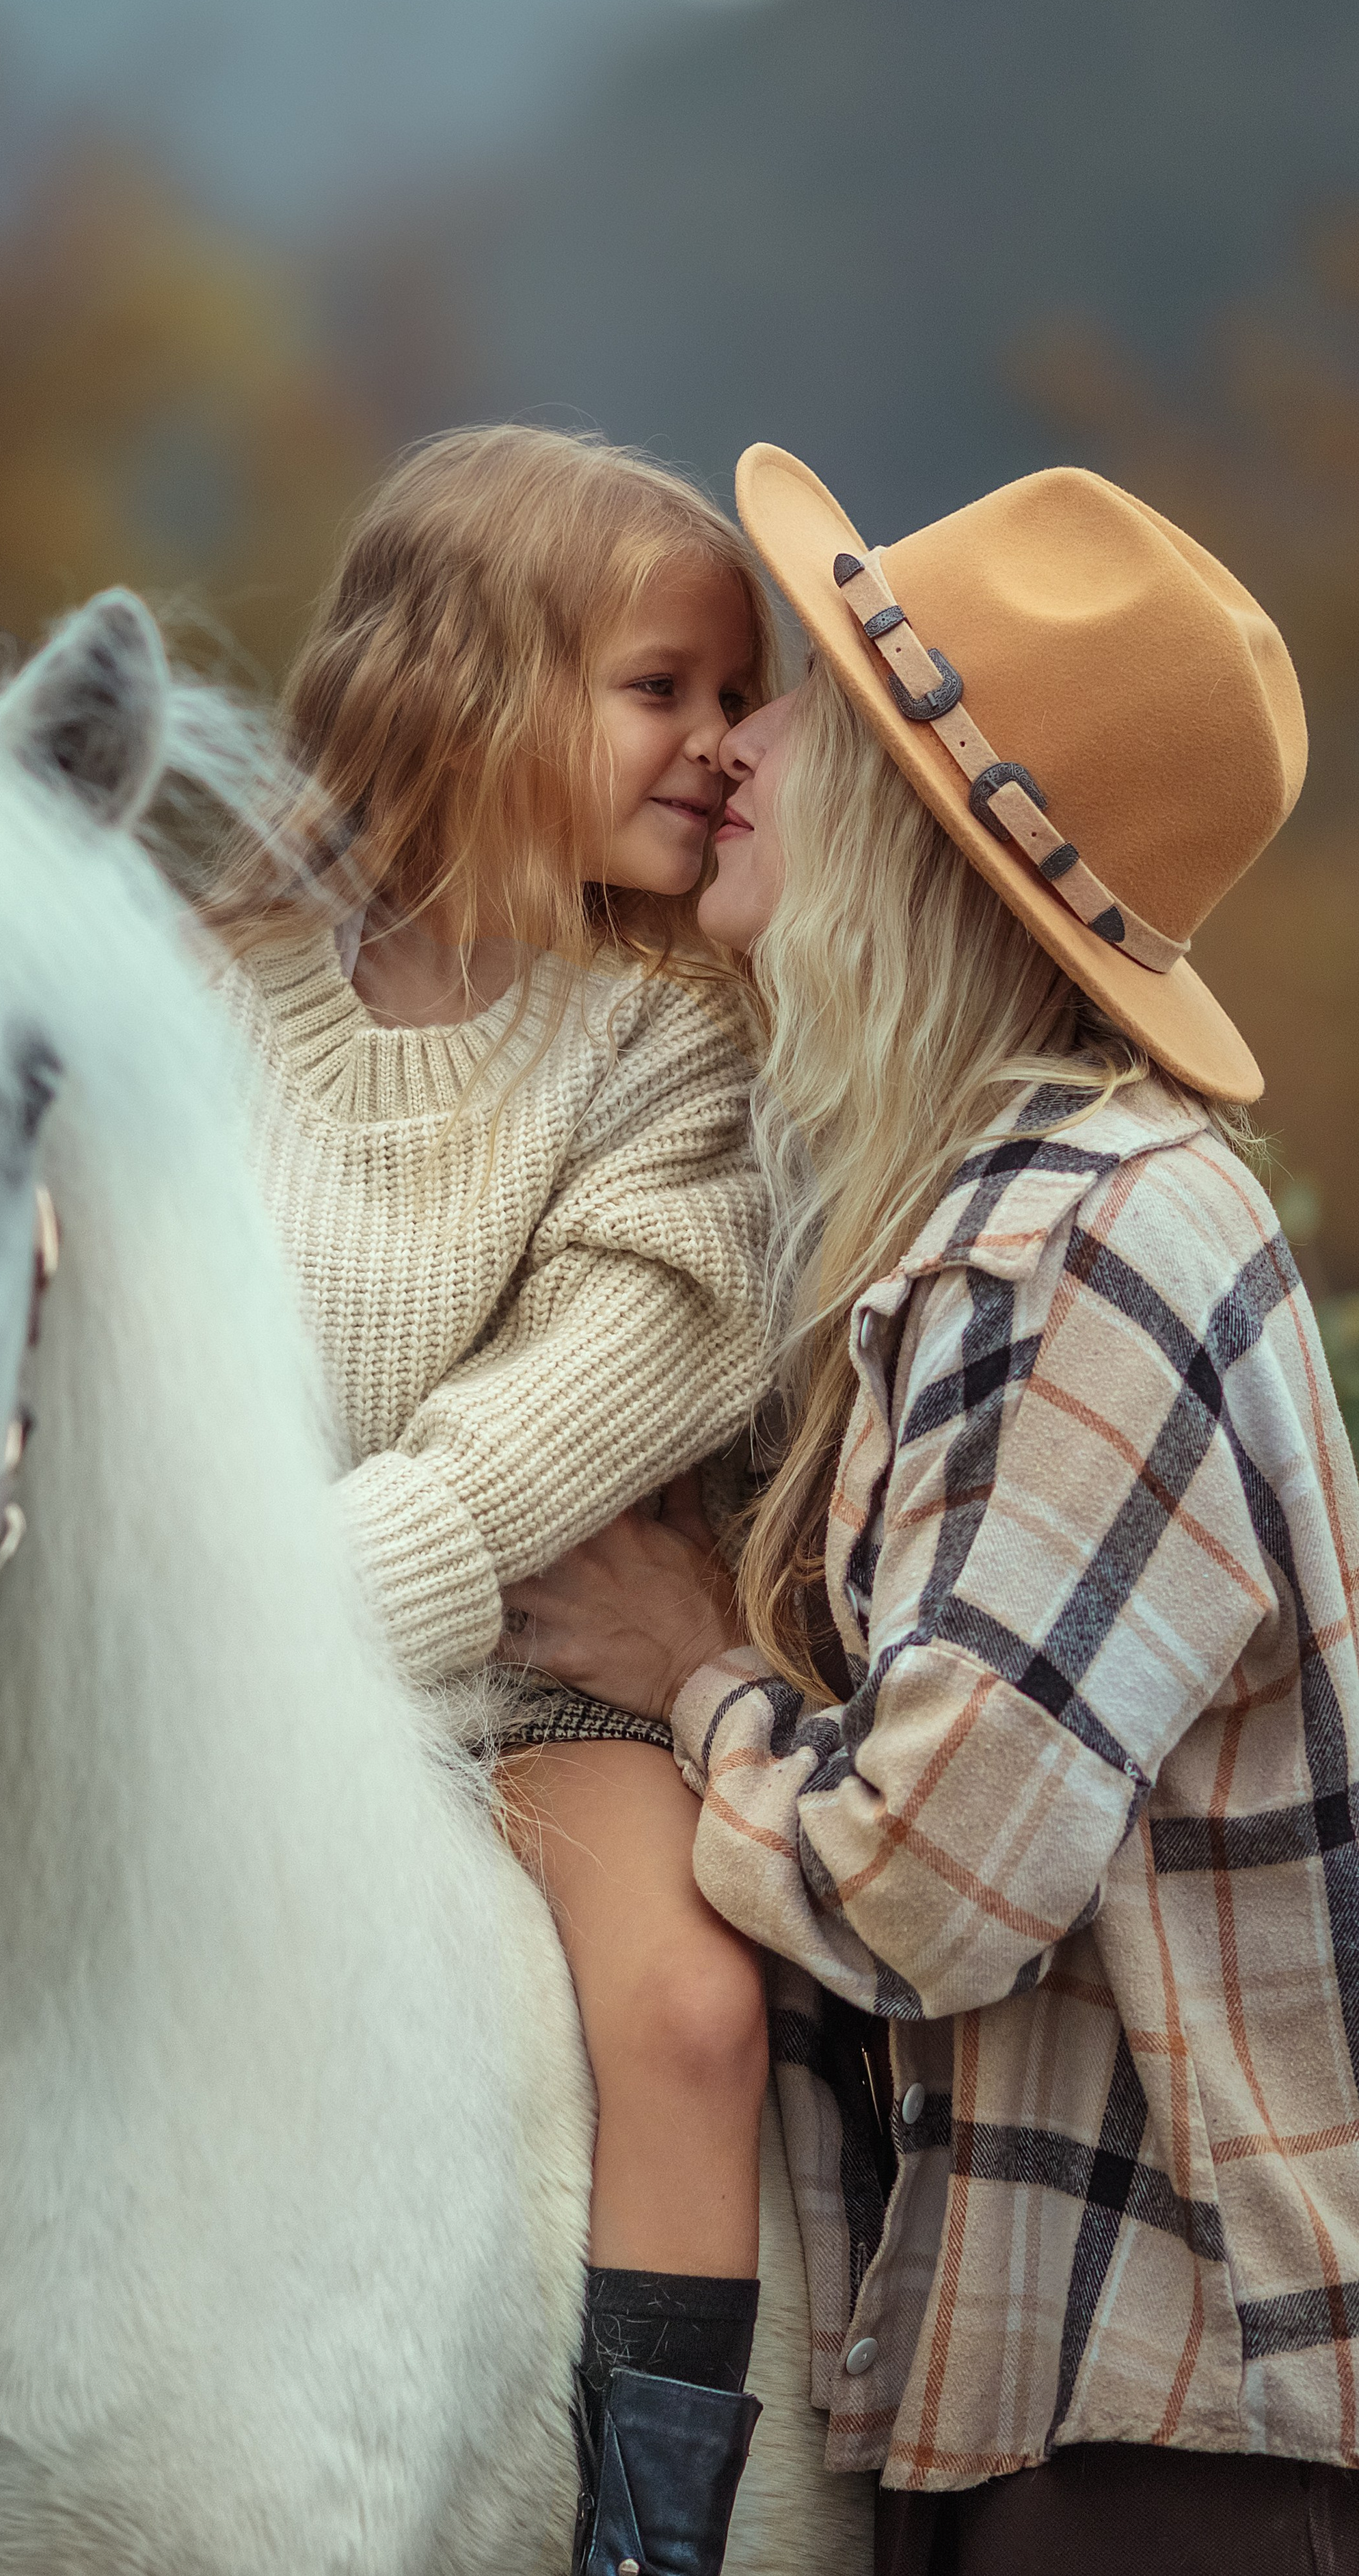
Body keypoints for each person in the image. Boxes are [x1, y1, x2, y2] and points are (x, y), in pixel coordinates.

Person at [501, 447, 1359, 2575]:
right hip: (1034, 2391)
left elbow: (924, 1884)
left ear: (908, 821)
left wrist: (687, 1672)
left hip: (1165, 2438)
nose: (749, 742)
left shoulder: (1093, 1244)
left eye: (813, 712)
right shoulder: (966, 1216)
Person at [209, 425, 781, 2575]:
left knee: (688, 2011)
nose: (727, 747)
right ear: (469, 688)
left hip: (540, 1690)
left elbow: (559, 1427)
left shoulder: (672, 1037)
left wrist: (245, 1633)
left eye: (737, 699)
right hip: (241, 1650)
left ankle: (651, 2528)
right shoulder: (220, 979)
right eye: (670, 689)